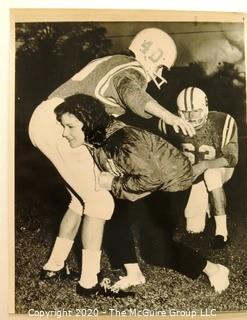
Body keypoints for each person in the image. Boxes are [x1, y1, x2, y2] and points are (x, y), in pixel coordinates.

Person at [28, 27, 195, 296]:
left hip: (49, 119)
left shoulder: (110, 60)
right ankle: (89, 282)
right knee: (100, 201)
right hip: (61, 124)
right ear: (152, 54)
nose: (160, 73)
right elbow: (132, 92)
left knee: (79, 200)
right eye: (161, 65)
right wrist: (170, 116)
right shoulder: (132, 69)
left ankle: (54, 265)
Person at [54, 93, 230, 294]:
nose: (64, 133)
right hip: (148, 179)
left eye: (70, 126)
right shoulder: (98, 136)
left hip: (172, 182)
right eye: (63, 126)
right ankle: (134, 274)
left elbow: (151, 179)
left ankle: (215, 270)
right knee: (110, 217)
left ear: (88, 122)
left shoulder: (122, 140)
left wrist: (113, 183)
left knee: (155, 251)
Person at [158, 87, 238, 248]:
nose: (190, 116)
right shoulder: (168, 125)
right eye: (185, 112)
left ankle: (222, 232)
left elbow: (231, 158)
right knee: (194, 229)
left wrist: (204, 165)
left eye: (195, 111)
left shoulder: (222, 122)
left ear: (205, 108)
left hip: (219, 167)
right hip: (193, 175)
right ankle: (207, 202)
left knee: (212, 175)